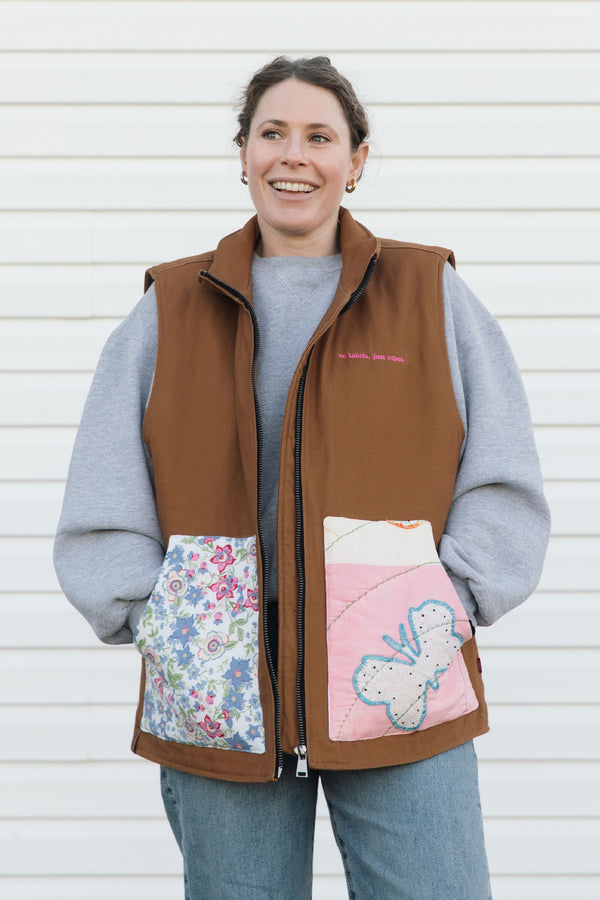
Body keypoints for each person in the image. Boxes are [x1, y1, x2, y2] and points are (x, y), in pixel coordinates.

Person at [55, 56, 550, 899]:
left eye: (319, 136)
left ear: (356, 159)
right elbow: (104, 494)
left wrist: (449, 603)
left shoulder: (429, 293)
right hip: (220, 674)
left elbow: (502, 476)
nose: (294, 155)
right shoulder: (170, 306)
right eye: (272, 133)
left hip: (399, 665)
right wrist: (159, 621)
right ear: (242, 152)